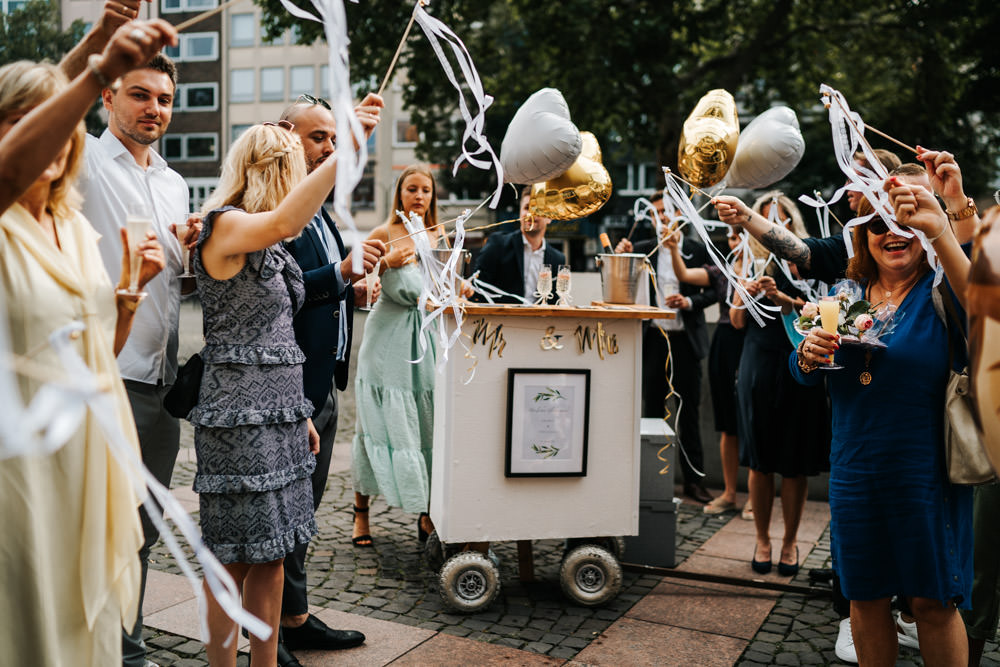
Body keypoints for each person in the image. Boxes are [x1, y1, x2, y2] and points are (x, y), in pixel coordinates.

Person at [0, 19, 175, 667]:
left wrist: (130, 294)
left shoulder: (72, 225)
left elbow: (99, 347)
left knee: (84, 623)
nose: (42, 133)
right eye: (20, 120)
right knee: (26, 621)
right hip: (17, 463)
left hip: (85, 450)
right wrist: (100, 64)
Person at [190, 121, 378, 666]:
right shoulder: (225, 226)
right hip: (236, 415)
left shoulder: (275, 247)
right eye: (289, 168)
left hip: (280, 412)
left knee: (272, 555)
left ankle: (265, 663)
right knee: (233, 557)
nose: (291, 179)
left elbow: (280, 334)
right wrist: (352, 150)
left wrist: (300, 415)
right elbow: (287, 217)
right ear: (264, 170)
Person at [61, 15, 203, 663]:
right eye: (141, 94)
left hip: (161, 386)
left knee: (143, 528)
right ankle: (84, 643)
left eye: (165, 99)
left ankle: (129, 639)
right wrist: (99, 45)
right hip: (98, 373)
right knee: (87, 525)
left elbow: (176, 283)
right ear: (108, 96)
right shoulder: (84, 159)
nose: (155, 109)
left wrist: (197, 256)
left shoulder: (176, 184)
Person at [792, 177, 974, 666]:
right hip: (853, 470)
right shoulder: (845, 293)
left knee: (931, 601)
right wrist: (807, 353)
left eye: (903, 222)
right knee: (864, 596)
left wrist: (940, 224)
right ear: (860, 234)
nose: (892, 233)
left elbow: (986, 306)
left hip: (924, 472)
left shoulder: (943, 291)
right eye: (877, 224)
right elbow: (804, 372)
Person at [276, 94, 386, 665]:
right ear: (284, 134)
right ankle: (265, 632)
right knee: (277, 515)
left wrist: (352, 288)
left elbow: (320, 283)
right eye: (317, 136)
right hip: (286, 385)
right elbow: (282, 290)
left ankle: (293, 617)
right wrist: (341, 272)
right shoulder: (279, 205)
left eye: (333, 138)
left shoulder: (318, 209)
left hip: (323, 382)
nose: (328, 147)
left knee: (304, 510)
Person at [720, 193, 830, 576]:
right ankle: (763, 540)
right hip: (759, 363)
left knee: (795, 462)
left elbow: (826, 313)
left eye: (780, 218)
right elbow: (735, 322)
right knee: (761, 460)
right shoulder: (745, 259)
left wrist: (783, 298)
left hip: (801, 362)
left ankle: (790, 543)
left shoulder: (810, 263)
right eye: (767, 218)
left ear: (791, 222)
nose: (774, 225)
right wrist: (744, 296)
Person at [352, 164, 442, 546]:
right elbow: (356, 279)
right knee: (376, 423)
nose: (419, 196)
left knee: (426, 423)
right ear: (399, 194)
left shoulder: (440, 236)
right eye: (411, 189)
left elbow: (444, 286)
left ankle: (428, 512)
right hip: (387, 338)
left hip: (425, 339)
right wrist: (388, 261)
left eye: (425, 190)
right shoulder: (383, 233)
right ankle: (361, 515)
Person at [615, 192, 717, 504]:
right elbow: (621, 287)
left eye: (667, 212)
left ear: (681, 215)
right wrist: (620, 255)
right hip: (653, 341)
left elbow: (717, 289)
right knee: (652, 413)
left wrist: (688, 301)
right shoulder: (643, 249)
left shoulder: (697, 250)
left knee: (689, 415)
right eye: (657, 213)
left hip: (686, 340)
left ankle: (693, 482)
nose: (661, 218)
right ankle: (652, 480)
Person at [661, 226, 748, 515]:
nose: (736, 242)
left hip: (755, 341)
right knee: (727, 422)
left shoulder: (769, 269)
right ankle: (729, 492)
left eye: (741, 236)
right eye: (733, 238)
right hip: (724, 341)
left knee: (754, 421)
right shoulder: (723, 270)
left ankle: (756, 499)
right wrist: (674, 249)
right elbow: (685, 275)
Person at [472, 186, 565, 304]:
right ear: (520, 212)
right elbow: (476, 289)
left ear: (550, 217)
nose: (531, 213)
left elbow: (555, 304)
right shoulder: (497, 245)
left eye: (538, 208)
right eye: (527, 208)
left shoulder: (557, 259)